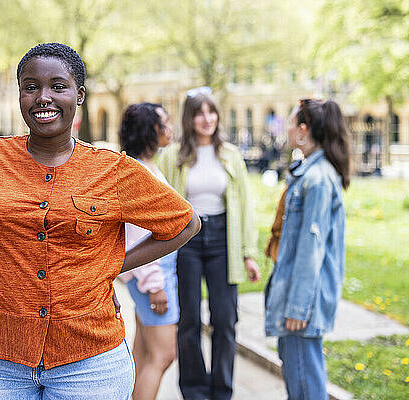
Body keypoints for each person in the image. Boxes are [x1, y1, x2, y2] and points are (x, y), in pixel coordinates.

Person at [0, 42, 201, 400]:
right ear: (20, 95)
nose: (44, 97)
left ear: (79, 95)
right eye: (31, 87)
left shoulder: (113, 169)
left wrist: (112, 265)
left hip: (90, 361)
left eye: (58, 86)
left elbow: (184, 223)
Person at [156, 87, 260, 400]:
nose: (207, 118)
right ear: (190, 118)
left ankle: (221, 390)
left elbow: (246, 206)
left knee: (225, 320)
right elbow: (160, 202)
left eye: (211, 112)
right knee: (188, 320)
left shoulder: (230, 155)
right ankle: (195, 391)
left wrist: (249, 254)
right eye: (200, 113)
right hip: (187, 239)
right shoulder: (172, 156)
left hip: (223, 240)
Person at [264, 99, 350, 400]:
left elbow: (310, 248)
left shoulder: (318, 179)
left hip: (303, 302)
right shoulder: (308, 173)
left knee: (304, 386)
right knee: (299, 379)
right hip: (297, 296)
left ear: (303, 130)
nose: (286, 129)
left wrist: (299, 306)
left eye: (290, 123)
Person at [117, 103, 178, 400]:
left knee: (143, 354)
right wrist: (155, 285)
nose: (169, 128)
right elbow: (138, 235)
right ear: (149, 130)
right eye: (163, 123)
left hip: (152, 274)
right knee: (163, 355)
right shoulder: (140, 172)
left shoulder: (145, 167)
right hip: (154, 276)